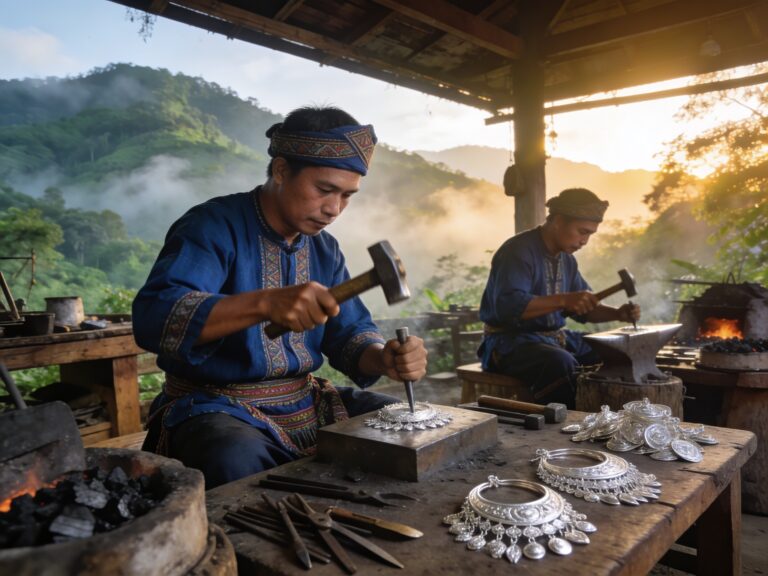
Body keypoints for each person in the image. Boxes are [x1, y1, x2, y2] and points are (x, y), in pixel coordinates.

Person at [133, 106, 428, 488]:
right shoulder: (213, 225)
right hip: (216, 407)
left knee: (407, 423)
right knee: (233, 455)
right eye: (324, 190)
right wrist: (265, 303)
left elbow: (350, 333)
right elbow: (155, 315)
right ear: (281, 170)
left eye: (347, 196)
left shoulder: (325, 250)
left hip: (304, 402)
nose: (334, 209)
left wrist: (383, 357)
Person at [477, 187, 640, 407]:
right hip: (509, 344)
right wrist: (564, 300)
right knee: (560, 362)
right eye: (582, 231)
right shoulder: (518, 251)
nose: (585, 241)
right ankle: (565, 423)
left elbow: (582, 308)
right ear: (559, 221)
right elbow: (508, 307)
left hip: (553, 338)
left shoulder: (567, 260)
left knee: (612, 350)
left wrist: (617, 313)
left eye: (590, 234)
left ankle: (608, 414)